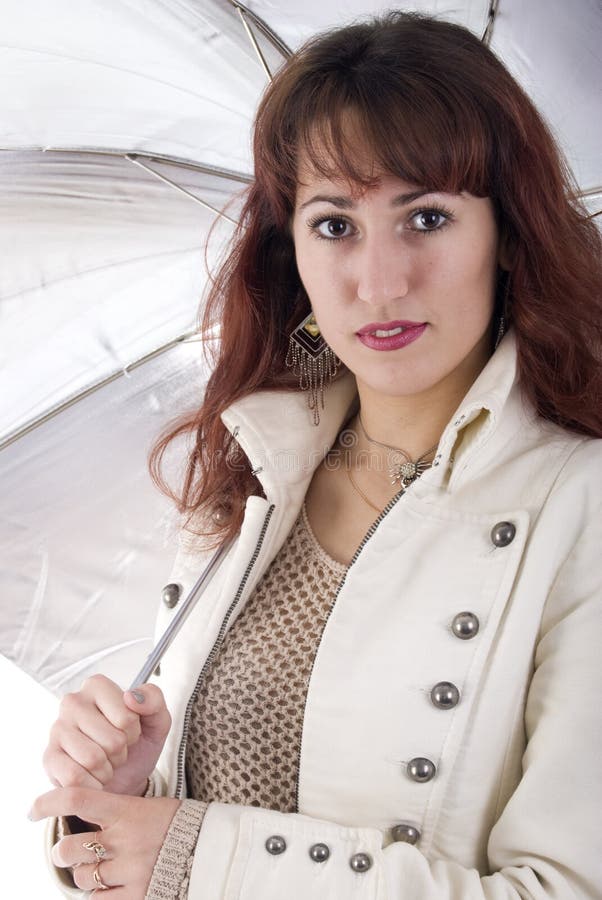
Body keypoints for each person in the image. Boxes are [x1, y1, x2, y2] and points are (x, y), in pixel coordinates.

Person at [32, 11, 602, 899]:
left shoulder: (580, 506)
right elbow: (186, 837)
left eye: (427, 216)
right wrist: (119, 802)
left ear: (508, 234)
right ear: (289, 247)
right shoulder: (251, 475)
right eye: (335, 225)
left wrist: (198, 853)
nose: (379, 282)